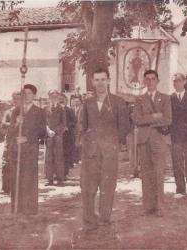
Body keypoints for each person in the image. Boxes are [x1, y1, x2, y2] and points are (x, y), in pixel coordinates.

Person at [80, 68, 129, 233]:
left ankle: (104, 218)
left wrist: (115, 143)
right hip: (91, 152)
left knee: (107, 186)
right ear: (93, 82)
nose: (100, 83)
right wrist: (85, 141)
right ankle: (89, 220)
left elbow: (124, 126)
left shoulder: (118, 101)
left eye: (103, 79)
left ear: (108, 80)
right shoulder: (87, 103)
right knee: (88, 187)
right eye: (97, 80)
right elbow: (81, 125)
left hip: (109, 152)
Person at [133, 69, 172, 217]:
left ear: (157, 81)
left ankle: (160, 207)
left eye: (153, 79)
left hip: (159, 140)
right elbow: (136, 119)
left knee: (159, 173)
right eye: (147, 79)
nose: (150, 82)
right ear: (144, 81)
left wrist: (147, 119)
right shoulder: (139, 99)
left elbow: (168, 119)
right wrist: (155, 116)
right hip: (144, 140)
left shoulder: (165, 98)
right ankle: (147, 206)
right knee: (146, 174)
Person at [8, 84, 46, 216]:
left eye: (29, 93)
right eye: (24, 93)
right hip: (17, 151)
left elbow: (42, 132)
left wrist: (27, 138)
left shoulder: (40, 112)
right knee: (17, 178)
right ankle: (17, 208)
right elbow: (10, 131)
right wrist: (17, 124)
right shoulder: (16, 111)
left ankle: (30, 209)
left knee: (29, 179)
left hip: (30, 150)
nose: (26, 96)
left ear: (34, 95)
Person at [44, 90, 66, 186]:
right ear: (49, 97)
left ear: (58, 97)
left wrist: (57, 132)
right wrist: (48, 130)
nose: (54, 97)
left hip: (57, 136)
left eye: (55, 96)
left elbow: (63, 123)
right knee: (48, 158)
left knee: (58, 157)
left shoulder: (61, 108)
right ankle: (49, 179)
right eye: (52, 96)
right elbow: (43, 122)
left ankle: (60, 179)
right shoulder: (45, 108)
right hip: (48, 136)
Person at [1, 91, 21, 195]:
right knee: (6, 164)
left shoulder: (25, 112)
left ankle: (18, 188)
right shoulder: (8, 112)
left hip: (20, 143)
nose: (16, 101)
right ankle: (5, 188)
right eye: (14, 99)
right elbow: (3, 124)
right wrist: (15, 124)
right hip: (9, 142)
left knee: (19, 165)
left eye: (18, 99)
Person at [59, 93, 76, 177]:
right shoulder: (56, 110)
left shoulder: (70, 110)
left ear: (66, 101)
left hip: (67, 136)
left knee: (65, 154)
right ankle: (58, 172)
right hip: (58, 135)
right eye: (60, 99)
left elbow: (74, 122)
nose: (61, 101)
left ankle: (64, 173)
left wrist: (67, 126)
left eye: (63, 99)